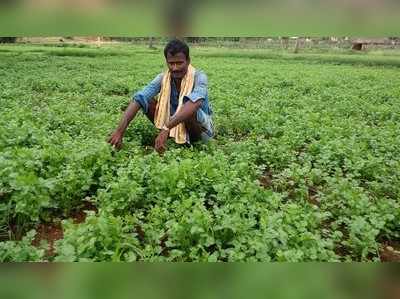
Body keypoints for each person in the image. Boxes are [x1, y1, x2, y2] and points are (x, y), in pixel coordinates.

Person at [107, 39, 214, 154]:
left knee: (189, 108)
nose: (175, 68)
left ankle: (185, 141)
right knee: (146, 100)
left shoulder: (199, 77)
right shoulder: (163, 78)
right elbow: (139, 97)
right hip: (173, 123)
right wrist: (119, 131)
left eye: (179, 63)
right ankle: (171, 135)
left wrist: (166, 128)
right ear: (166, 62)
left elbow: (195, 103)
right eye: (171, 63)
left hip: (201, 131)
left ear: (188, 61)